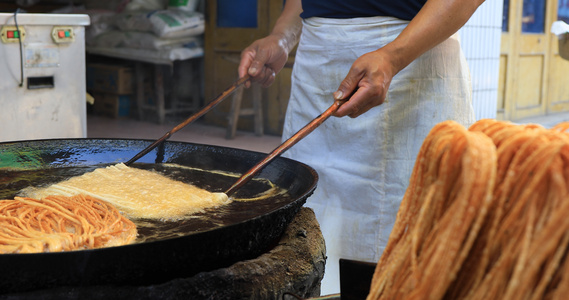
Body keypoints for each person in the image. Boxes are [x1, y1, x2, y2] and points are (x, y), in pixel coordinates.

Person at [238, 0, 484, 295]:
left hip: (410, 61)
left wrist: (393, 57)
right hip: (320, 63)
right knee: (307, 224)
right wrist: (282, 36)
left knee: (407, 240)